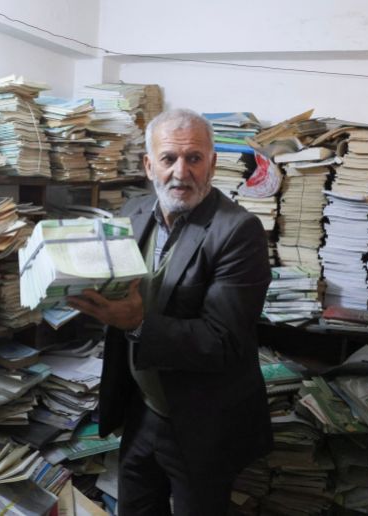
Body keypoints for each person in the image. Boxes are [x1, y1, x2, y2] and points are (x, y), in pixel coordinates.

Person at [67, 108, 272, 515]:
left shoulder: (238, 231)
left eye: (194, 158)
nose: (181, 172)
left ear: (212, 163)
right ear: (149, 166)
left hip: (203, 422)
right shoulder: (134, 213)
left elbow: (222, 342)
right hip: (142, 409)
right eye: (169, 158)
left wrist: (137, 323)